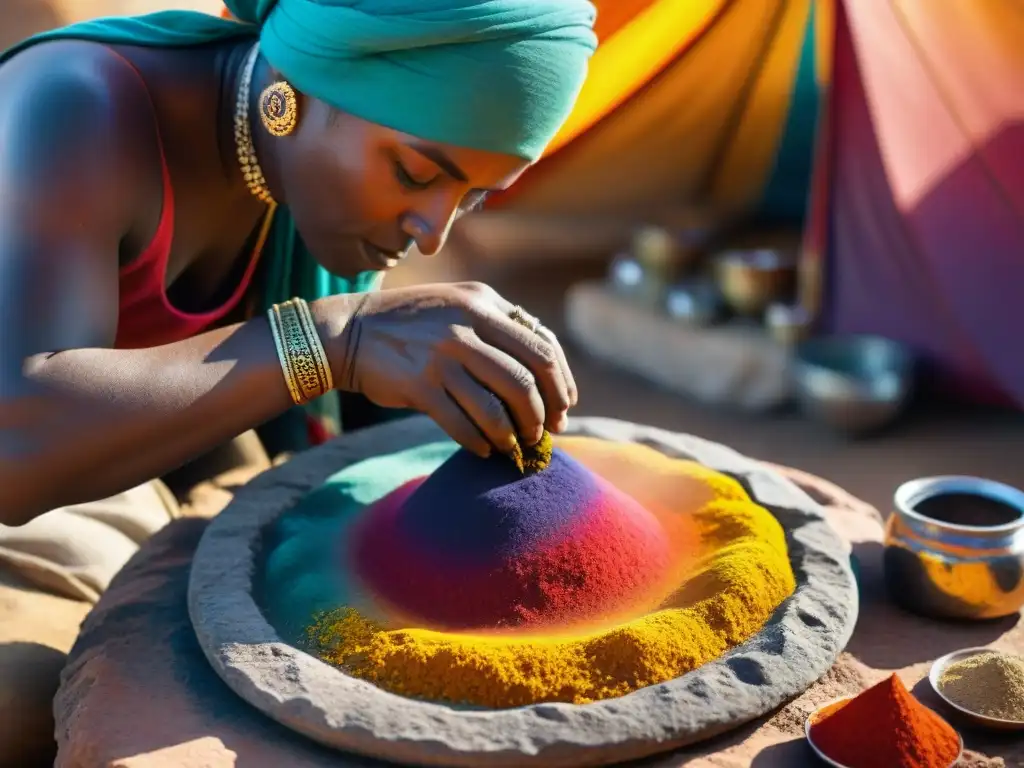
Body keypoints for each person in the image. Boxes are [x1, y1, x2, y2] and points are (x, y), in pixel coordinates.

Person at [0, 0, 596, 761]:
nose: (433, 231)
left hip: (110, 457)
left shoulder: (296, 179)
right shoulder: (78, 107)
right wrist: (335, 338)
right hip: (33, 464)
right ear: (293, 90)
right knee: (24, 700)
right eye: (417, 171)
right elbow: (15, 444)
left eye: (477, 196)